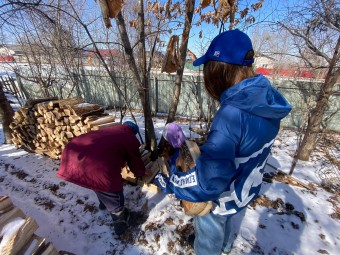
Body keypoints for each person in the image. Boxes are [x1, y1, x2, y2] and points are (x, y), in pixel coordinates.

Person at [154, 29, 292, 255]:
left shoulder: (232, 116)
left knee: (209, 230)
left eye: (208, 71)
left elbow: (208, 183)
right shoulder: (264, 102)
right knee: (227, 221)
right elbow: (240, 147)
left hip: (222, 197)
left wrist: (171, 179)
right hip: (243, 190)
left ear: (219, 72)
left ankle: (210, 249)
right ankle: (226, 246)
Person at [57, 121, 146, 236]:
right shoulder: (130, 138)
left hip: (72, 158)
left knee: (95, 181)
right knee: (113, 191)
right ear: (134, 132)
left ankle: (104, 203)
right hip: (96, 166)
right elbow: (135, 162)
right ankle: (120, 221)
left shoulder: (111, 130)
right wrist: (141, 173)